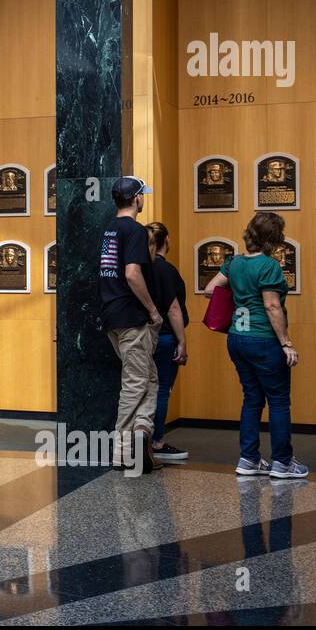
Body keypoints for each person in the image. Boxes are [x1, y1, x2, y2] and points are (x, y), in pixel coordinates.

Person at [203, 211, 306, 479]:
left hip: (237, 338)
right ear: (274, 238)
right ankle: (282, 463)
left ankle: (248, 459)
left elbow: (209, 290)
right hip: (263, 340)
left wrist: (241, 295)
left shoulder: (233, 263)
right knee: (279, 401)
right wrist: (286, 343)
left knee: (251, 398)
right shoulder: (268, 266)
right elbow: (272, 305)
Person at [99, 176, 162, 473]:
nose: (143, 199)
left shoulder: (110, 229)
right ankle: (122, 451)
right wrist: (152, 310)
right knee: (135, 383)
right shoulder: (134, 230)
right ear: (137, 199)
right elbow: (133, 274)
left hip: (112, 313)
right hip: (132, 317)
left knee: (148, 378)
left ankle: (142, 430)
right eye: (142, 195)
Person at [145, 222, 189, 462]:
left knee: (146, 389)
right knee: (162, 390)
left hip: (146, 336)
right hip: (165, 337)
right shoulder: (166, 270)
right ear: (167, 240)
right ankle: (158, 441)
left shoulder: (142, 269)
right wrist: (182, 342)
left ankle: (144, 440)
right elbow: (173, 308)